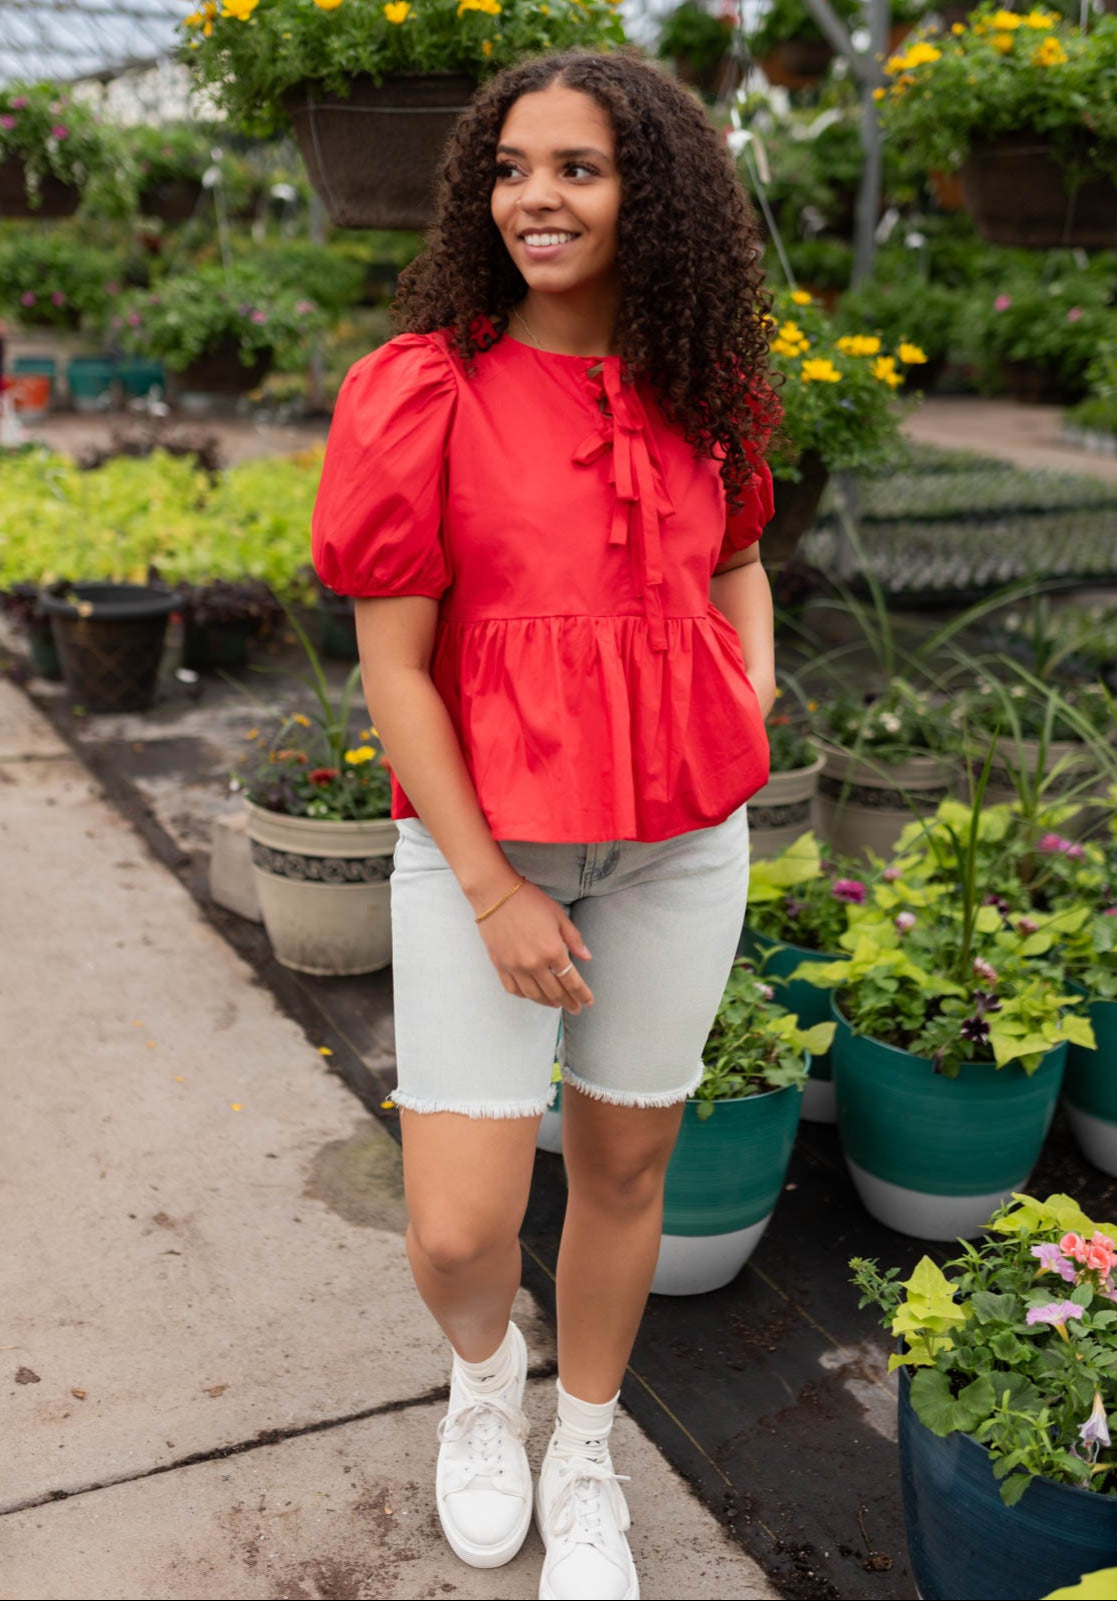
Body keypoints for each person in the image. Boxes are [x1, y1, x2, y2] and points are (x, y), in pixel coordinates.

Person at [311, 47, 779, 1601]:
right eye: (514, 167)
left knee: (628, 1169)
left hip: (678, 852)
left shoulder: (705, 383)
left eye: (578, 167)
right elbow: (392, 667)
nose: (537, 196)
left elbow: (738, 561)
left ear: (651, 192)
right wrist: (495, 885)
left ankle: (584, 1447)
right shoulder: (423, 388)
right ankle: (479, 1377)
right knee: (458, 1228)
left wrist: (747, 700)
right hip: (478, 854)